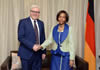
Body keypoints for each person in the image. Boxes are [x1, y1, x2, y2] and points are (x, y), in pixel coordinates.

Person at [18, 5, 46, 70]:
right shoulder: (23, 22)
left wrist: (44, 52)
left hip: (38, 55)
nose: (35, 13)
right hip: (26, 54)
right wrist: (32, 46)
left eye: (37, 12)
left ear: (39, 14)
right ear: (30, 12)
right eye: (33, 11)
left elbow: (43, 38)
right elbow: (20, 37)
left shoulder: (41, 23)